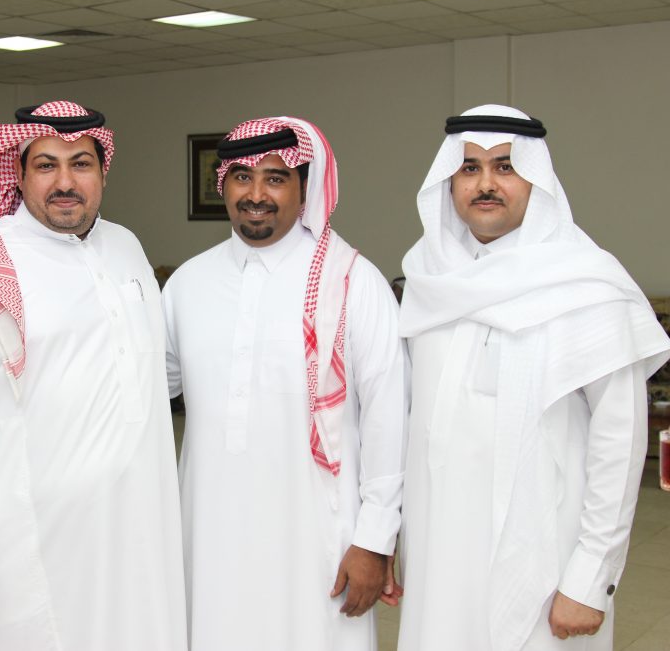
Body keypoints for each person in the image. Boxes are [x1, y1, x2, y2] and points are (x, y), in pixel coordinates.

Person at [0, 101, 187, 651]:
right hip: (23, 531)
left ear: (103, 172)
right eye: (46, 165)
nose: (65, 182)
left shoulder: (125, 247)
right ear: (19, 172)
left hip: (135, 526)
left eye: (81, 164)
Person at [397, 105, 670, 651]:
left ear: (536, 180)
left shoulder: (587, 284)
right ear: (448, 181)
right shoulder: (426, 280)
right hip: (438, 560)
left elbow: (618, 443)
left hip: (547, 562)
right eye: (469, 168)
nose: (486, 183)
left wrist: (590, 577)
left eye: (505, 166)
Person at [162, 116, 406, 651]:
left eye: (275, 178)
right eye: (242, 177)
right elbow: (145, 395)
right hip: (210, 534)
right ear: (223, 184)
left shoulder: (353, 283)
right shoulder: (186, 285)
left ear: (304, 188)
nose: (256, 195)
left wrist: (375, 540)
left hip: (320, 539)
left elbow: (389, 418)